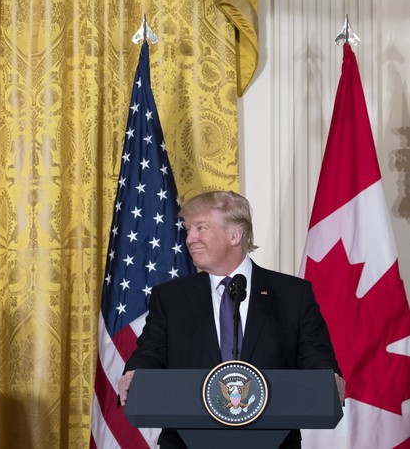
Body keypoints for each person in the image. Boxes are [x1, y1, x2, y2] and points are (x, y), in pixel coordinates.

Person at [117, 190, 344, 449]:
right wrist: (136, 372)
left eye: (200, 228)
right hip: (186, 442)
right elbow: (150, 353)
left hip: (273, 441)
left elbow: (316, 357)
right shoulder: (170, 298)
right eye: (188, 229)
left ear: (235, 235)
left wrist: (327, 376)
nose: (190, 239)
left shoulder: (292, 294)